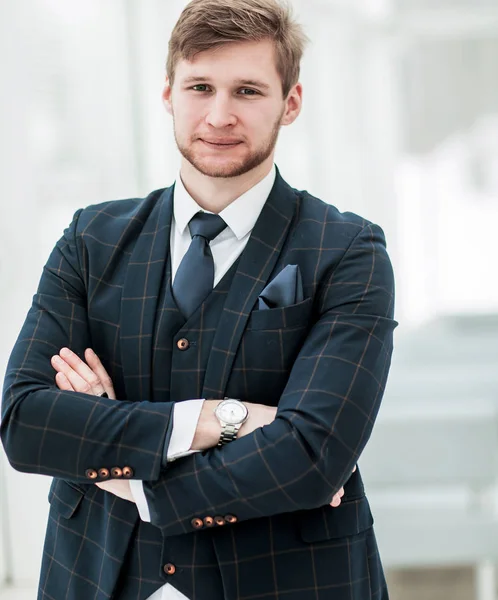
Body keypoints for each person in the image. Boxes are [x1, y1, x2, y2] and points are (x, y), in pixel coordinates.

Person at [1, 0, 397, 598]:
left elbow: (314, 457)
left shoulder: (349, 252)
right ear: (168, 94)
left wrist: (127, 473)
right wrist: (224, 420)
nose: (219, 115)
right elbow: (27, 423)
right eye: (200, 87)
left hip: (285, 582)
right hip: (99, 574)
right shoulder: (90, 241)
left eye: (247, 91)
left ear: (290, 103)